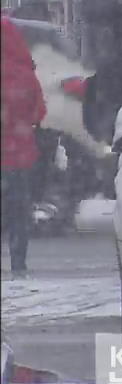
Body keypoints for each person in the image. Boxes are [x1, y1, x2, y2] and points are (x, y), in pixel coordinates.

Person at [1, 16, 47, 275]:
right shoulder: (25, 75)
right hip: (18, 156)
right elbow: (39, 112)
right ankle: (18, 262)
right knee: (18, 212)